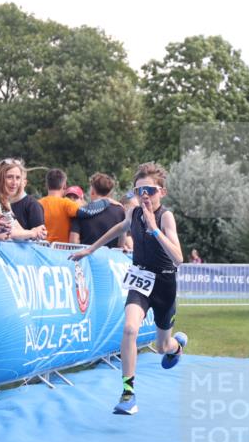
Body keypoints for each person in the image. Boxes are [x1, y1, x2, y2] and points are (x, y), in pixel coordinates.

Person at [69, 162, 186, 415]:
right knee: (130, 328)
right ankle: (128, 393)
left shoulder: (166, 216)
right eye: (139, 190)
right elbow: (118, 228)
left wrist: (154, 230)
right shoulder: (133, 214)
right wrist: (90, 249)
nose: (145, 195)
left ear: (162, 193)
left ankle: (176, 346)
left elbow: (178, 258)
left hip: (164, 283)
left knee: (163, 346)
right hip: (141, 280)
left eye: (151, 191)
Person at [0, 159, 48, 240]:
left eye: (18, 178)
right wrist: (33, 232)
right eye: (9, 177)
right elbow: (2, 231)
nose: (14, 182)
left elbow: (19, 231)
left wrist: (37, 232)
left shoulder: (5, 204)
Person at [69, 172, 125, 248]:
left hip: (86, 257)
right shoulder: (120, 210)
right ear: (109, 193)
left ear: (92, 191)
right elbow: (121, 243)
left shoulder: (81, 211)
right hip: (110, 258)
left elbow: (73, 241)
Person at [40, 168, 82, 244]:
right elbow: (86, 212)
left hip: (41, 249)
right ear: (64, 186)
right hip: (61, 251)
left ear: (46, 185)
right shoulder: (67, 203)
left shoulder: (38, 204)